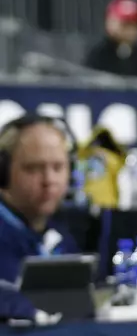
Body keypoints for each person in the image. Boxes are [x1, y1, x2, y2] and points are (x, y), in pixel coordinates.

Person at [0, 115, 79, 285]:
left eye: (58, 167)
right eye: (33, 168)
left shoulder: (60, 237)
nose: (49, 180)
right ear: (3, 172)